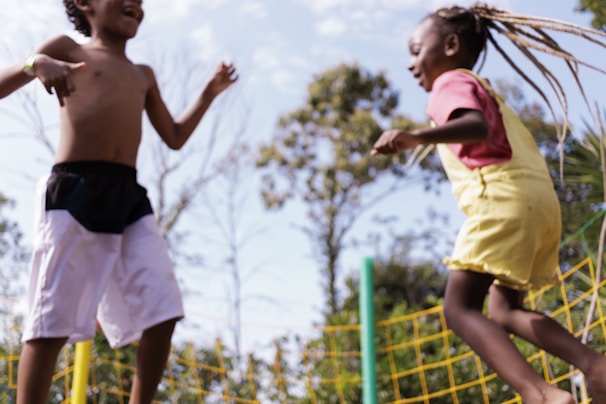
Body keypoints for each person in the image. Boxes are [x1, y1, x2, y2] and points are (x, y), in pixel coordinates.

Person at [0, 0, 237, 403]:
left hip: (128, 197)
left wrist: (209, 94)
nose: (136, 4)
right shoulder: (67, 49)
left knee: (164, 311)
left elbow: (175, 137)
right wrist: (34, 62)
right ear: (83, 3)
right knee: (51, 323)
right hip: (74, 192)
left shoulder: (143, 75)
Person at [372, 4, 606, 404]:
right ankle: (595, 365)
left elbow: (475, 127)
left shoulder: (451, 83)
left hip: (502, 200)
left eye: (415, 50)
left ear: (450, 44)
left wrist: (414, 136)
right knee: (504, 310)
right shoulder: (485, 88)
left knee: (459, 308)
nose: (411, 64)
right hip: (540, 203)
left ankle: (542, 395)